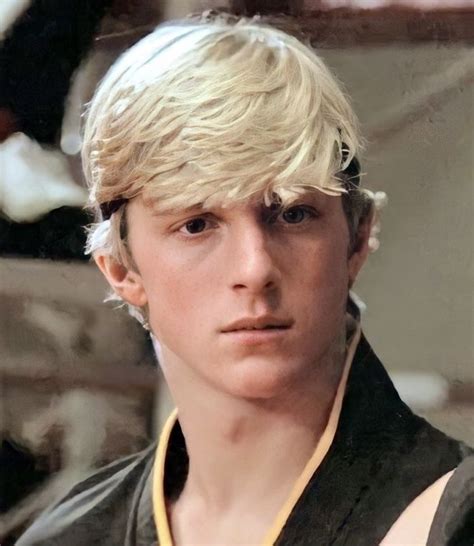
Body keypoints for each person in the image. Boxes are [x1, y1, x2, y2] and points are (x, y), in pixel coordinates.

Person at [17, 11, 473, 546]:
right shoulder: (66, 539)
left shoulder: (453, 519)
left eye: (293, 215)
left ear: (356, 239)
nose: (255, 268)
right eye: (196, 225)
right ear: (121, 270)